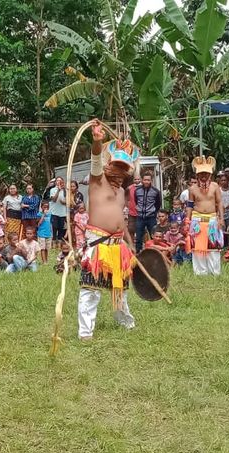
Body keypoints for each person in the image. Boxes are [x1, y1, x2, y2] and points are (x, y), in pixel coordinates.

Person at [78, 123, 138, 340]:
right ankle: (86, 333)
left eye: (124, 168)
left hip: (118, 245)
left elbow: (121, 219)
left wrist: (129, 243)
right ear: (109, 165)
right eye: (117, 167)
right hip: (97, 244)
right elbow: (95, 159)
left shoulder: (122, 192)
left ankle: (126, 323)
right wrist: (96, 141)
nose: (120, 172)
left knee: (120, 289)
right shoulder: (97, 181)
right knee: (90, 290)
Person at [185, 156, 224, 275]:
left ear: (210, 174)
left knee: (213, 248)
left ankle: (215, 272)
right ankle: (201, 272)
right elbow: (190, 205)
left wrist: (221, 218)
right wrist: (187, 220)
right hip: (197, 220)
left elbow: (220, 202)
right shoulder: (192, 189)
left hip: (212, 219)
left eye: (206, 173)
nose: (203, 176)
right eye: (201, 173)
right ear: (197, 175)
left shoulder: (215, 186)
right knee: (198, 248)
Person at [134, 172, 162, 253]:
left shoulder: (156, 191)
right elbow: (136, 201)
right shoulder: (137, 190)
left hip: (151, 217)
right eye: (145, 180)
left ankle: (156, 253)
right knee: (138, 237)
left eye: (148, 180)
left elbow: (158, 204)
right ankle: (138, 254)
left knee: (154, 237)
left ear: (151, 181)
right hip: (140, 217)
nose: (146, 182)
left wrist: (153, 212)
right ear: (142, 180)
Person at [49, 177, 68, 247]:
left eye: (60, 181)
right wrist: (58, 191)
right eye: (57, 180)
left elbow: (68, 201)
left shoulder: (65, 191)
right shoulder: (52, 190)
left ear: (62, 182)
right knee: (54, 227)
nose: (59, 182)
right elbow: (53, 199)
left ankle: (59, 242)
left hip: (62, 212)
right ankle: (54, 241)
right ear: (55, 182)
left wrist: (64, 202)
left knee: (61, 228)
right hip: (54, 212)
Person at [126, 175, 140, 246]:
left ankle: (140, 244)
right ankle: (131, 244)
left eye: (138, 179)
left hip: (141, 213)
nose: (137, 181)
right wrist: (127, 206)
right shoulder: (129, 188)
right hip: (131, 212)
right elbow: (126, 198)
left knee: (141, 230)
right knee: (131, 229)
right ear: (133, 180)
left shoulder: (143, 187)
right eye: (135, 179)